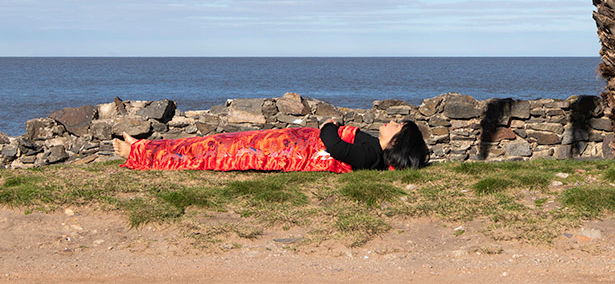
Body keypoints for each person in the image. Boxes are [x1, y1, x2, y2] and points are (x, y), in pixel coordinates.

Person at [113, 118, 429, 172]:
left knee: (217, 151)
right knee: (216, 144)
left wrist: (329, 126)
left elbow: (335, 149)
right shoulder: (373, 150)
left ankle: (138, 153)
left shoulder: (371, 154)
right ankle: (145, 148)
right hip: (289, 144)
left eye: (395, 126)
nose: (388, 124)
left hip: (289, 150)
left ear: (397, 142)